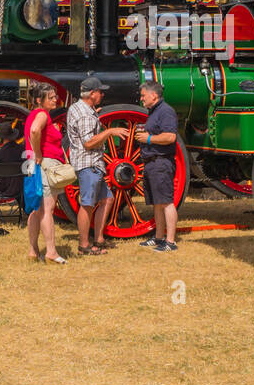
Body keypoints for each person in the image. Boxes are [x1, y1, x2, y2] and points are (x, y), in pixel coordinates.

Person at [65, 76, 130, 255]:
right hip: (89, 164)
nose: (102, 94)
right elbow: (89, 142)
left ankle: (99, 238)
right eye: (100, 91)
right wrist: (110, 131)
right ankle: (84, 245)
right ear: (92, 94)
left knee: (107, 199)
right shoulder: (86, 114)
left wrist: (95, 117)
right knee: (87, 205)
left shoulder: (78, 108)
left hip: (91, 164)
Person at [134, 79, 179, 252]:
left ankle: (171, 242)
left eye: (143, 96)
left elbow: (170, 137)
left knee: (166, 202)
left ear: (154, 95)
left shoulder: (166, 111)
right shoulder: (153, 111)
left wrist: (149, 139)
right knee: (157, 203)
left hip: (161, 161)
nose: (141, 99)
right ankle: (159, 237)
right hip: (152, 162)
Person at [24, 83, 65, 264]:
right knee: (47, 209)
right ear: (39, 100)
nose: (55, 99)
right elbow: (35, 131)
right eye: (51, 97)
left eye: (55, 96)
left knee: (36, 209)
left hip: (32, 164)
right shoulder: (41, 114)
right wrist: (39, 153)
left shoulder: (33, 115)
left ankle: (33, 251)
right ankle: (51, 252)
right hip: (44, 164)